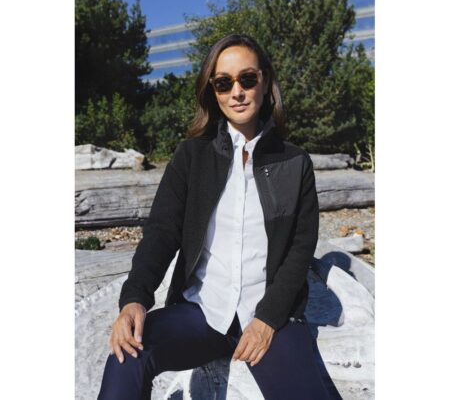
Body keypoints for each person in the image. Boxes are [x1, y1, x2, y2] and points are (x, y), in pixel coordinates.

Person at [97, 34, 330, 400]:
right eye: (223, 83)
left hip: (270, 318)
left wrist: (268, 320)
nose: (236, 92)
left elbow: (300, 249)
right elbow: (161, 233)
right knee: (127, 355)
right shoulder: (192, 156)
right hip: (202, 313)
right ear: (213, 91)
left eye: (247, 79)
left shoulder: (294, 162)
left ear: (265, 82)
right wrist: (134, 299)